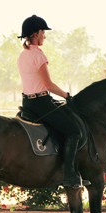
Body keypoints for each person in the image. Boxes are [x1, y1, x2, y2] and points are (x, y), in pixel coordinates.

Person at [17, 15, 90, 188]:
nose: (45, 36)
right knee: (73, 132)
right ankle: (69, 176)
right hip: (41, 103)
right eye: (43, 32)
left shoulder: (23, 55)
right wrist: (66, 95)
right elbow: (48, 85)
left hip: (28, 103)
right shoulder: (39, 56)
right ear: (35, 34)